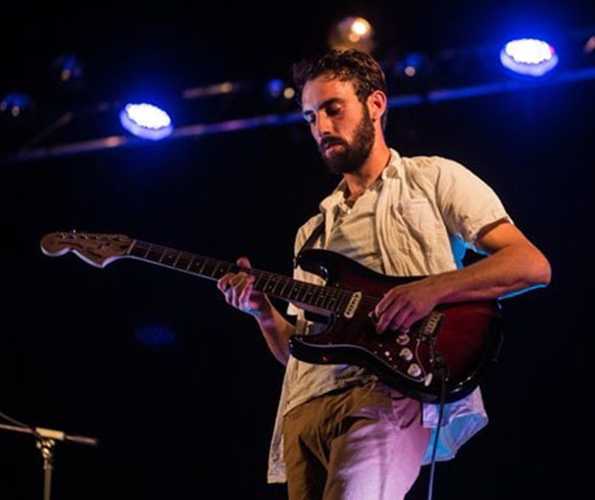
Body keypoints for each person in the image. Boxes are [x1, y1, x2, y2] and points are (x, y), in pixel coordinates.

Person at [217, 49, 551, 499]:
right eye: (311, 117)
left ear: (376, 104)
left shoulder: (434, 179)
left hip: (385, 393)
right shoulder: (310, 234)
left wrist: (430, 289)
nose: (322, 128)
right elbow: (296, 350)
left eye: (333, 109)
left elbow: (530, 264)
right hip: (303, 411)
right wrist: (261, 312)